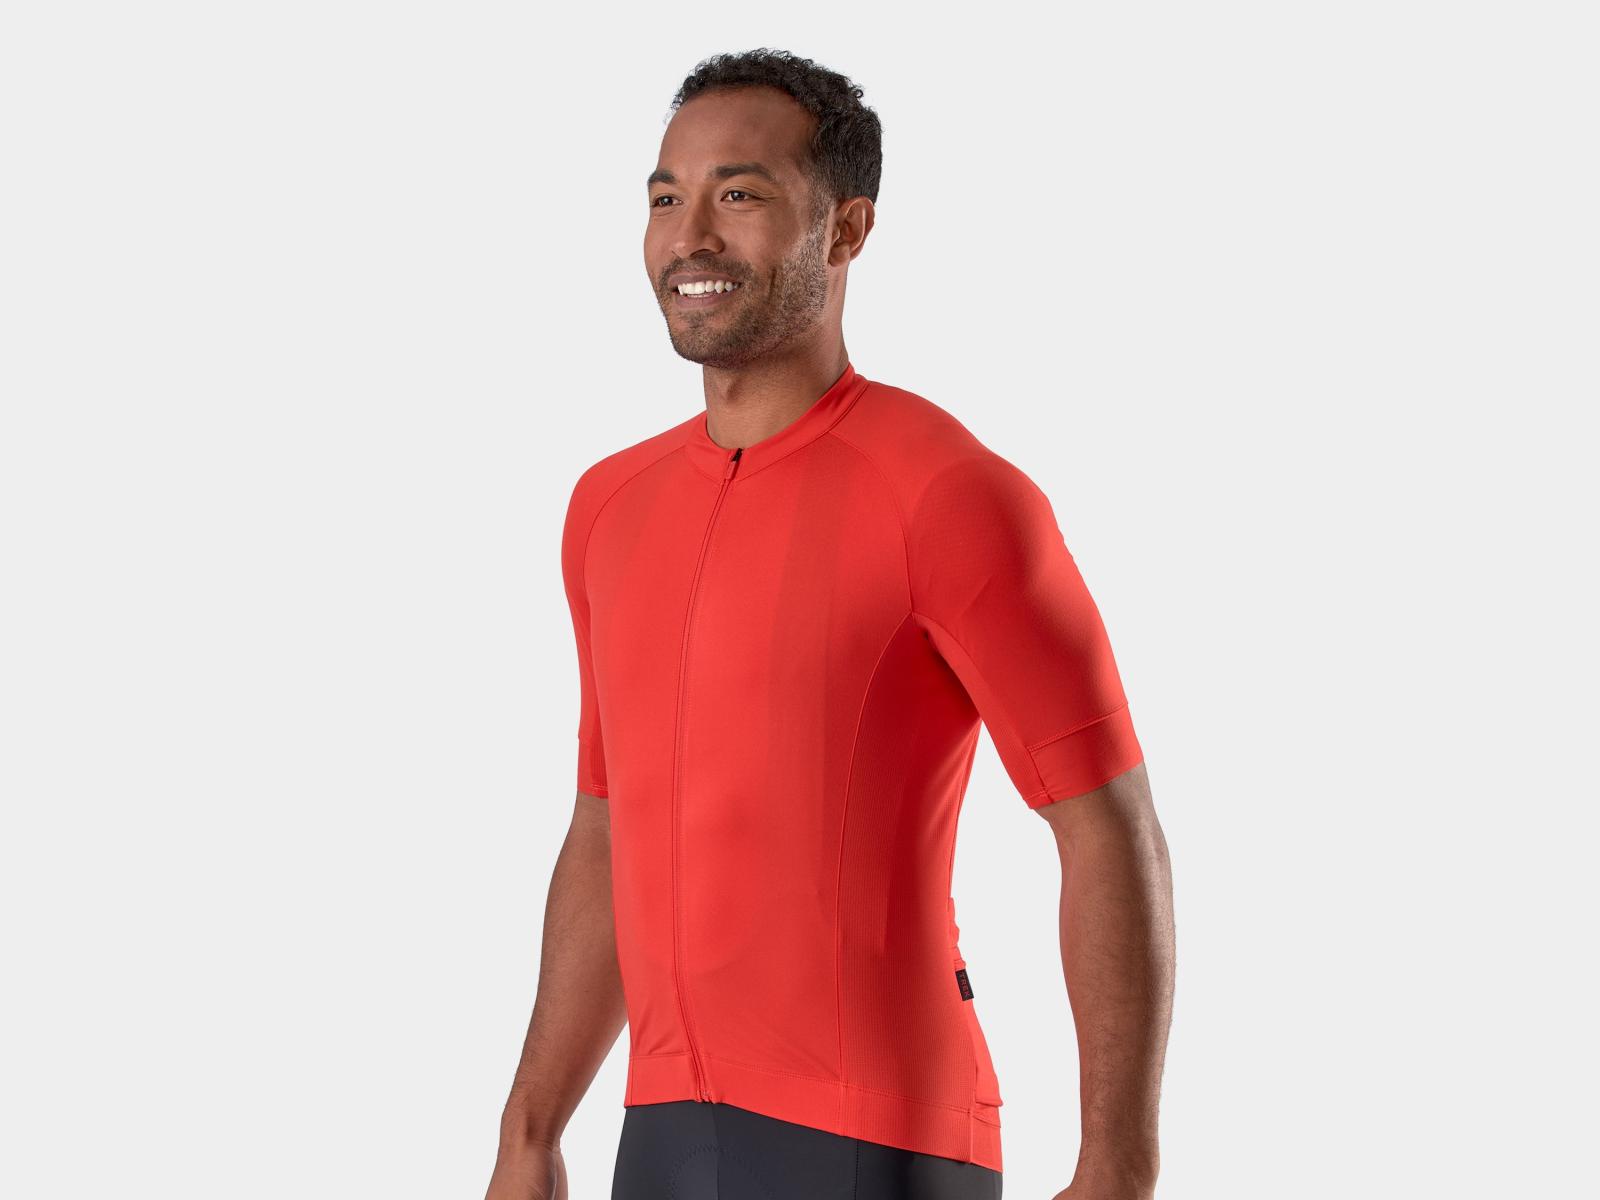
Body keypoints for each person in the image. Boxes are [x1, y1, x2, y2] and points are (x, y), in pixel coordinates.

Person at [485, 48, 1175, 1200]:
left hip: (875, 1138)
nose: (690, 236)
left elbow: (1105, 823)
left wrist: (1117, 1164)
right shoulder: (608, 507)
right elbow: (607, 827)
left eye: (739, 195)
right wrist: (531, 1125)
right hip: (659, 1134)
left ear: (845, 230)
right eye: (665, 197)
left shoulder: (946, 494)